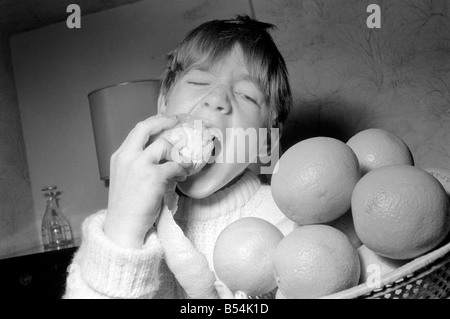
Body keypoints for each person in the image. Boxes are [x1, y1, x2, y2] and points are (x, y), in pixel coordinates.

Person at [64, 15, 296, 299]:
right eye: (199, 81)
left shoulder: (290, 220)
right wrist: (123, 232)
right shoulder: (111, 230)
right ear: (163, 105)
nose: (217, 100)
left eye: (247, 96)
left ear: (266, 140)